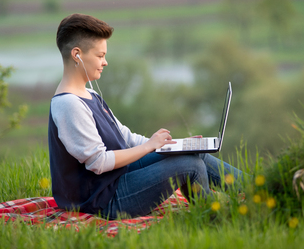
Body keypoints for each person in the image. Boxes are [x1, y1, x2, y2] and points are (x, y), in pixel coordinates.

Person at [48, 13, 244, 219]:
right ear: (76, 54)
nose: (105, 62)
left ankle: (262, 190)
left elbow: (124, 136)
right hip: (101, 200)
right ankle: (216, 218)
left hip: (117, 178)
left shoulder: (90, 94)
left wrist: (177, 144)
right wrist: (148, 146)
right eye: (100, 55)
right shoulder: (68, 104)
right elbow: (98, 162)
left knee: (194, 153)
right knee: (191, 166)